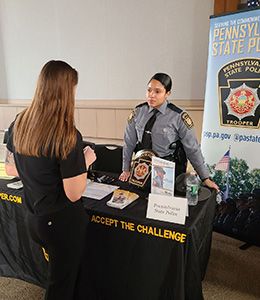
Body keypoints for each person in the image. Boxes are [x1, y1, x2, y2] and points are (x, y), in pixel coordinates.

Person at [4, 60, 96, 300]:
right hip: (61, 223)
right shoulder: (66, 136)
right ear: (65, 92)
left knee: (60, 276)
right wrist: (85, 162)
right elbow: (74, 193)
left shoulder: (19, 123)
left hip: (33, 216)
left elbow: (10, 167)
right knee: (61, 287)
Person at [119, 72, 219, 191]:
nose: (151, 95)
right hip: (141, 168)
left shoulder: (178, 117)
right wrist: (126, 169)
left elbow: (192, 149)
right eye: (149, 90)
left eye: (157, 91)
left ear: (167, 93)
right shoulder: (138, 112)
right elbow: (129, 142)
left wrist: (205, 177)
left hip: (166, 170)